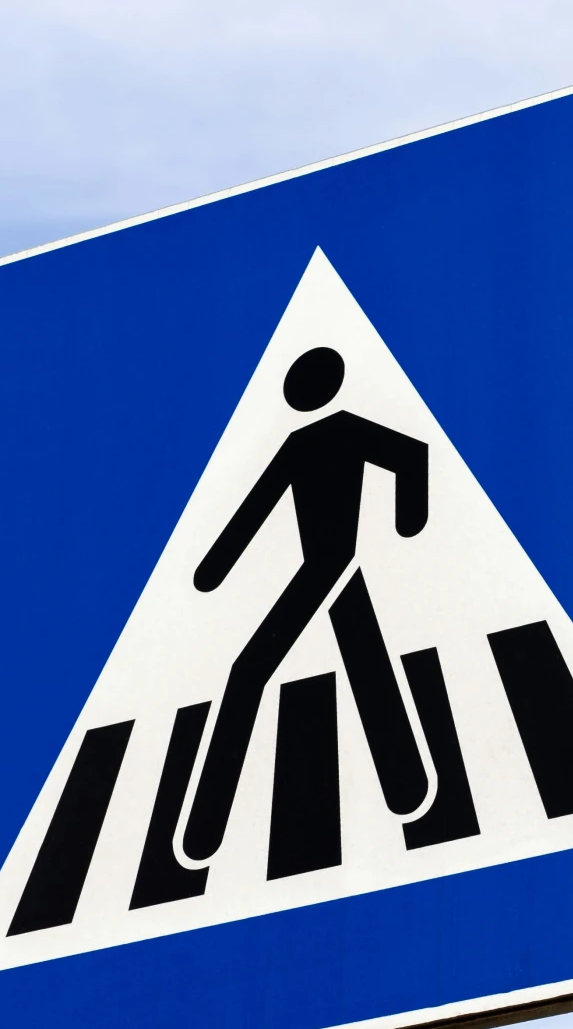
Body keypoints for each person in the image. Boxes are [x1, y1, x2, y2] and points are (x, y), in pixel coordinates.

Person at [182, 345, 431, 861]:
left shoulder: (343, 429)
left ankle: (204, 828)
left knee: (248, 671)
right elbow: (256, 508)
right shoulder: (303, 442)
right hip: (330, 566)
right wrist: (212, 570)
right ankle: (406, 784)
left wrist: (410, 522)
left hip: (332, 563)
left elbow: (412, 455)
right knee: (366, 662)